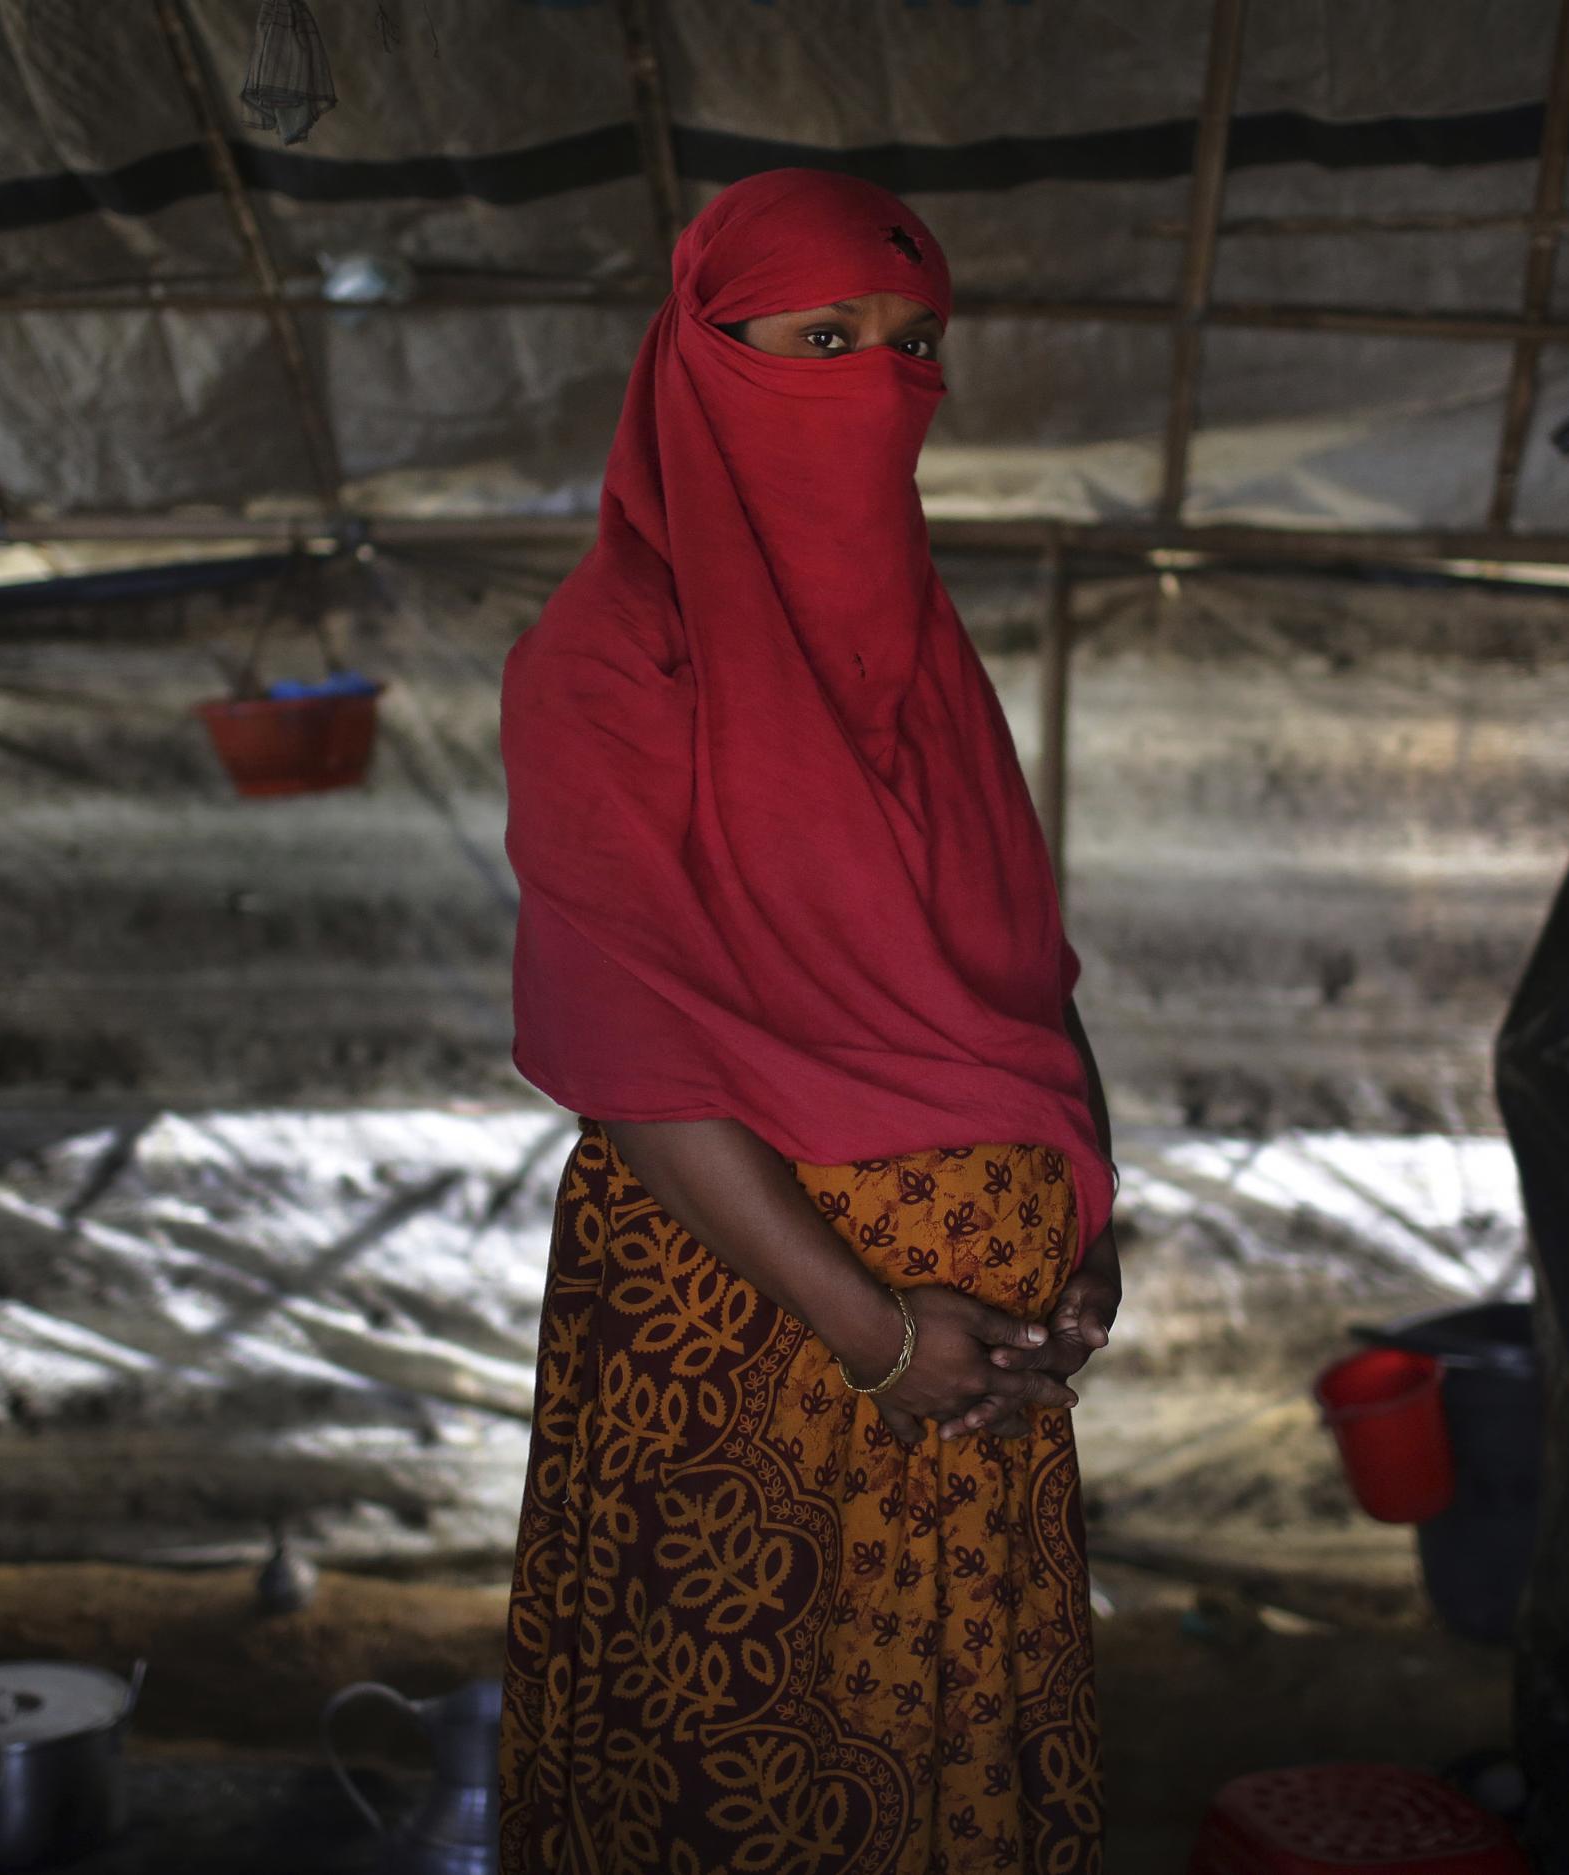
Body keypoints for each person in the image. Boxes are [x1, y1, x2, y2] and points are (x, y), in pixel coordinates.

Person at [496, 167, 1121, 1873]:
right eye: (823, 339)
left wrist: (1085, 1235)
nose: (878, 383)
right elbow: (633, 1059)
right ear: (703, 354)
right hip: (758, 1332)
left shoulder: (925, 655)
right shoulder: (606, 665)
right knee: (745, 1751)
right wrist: (871, 1327)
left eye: (913, 345)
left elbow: (1027, 987)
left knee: (946, 1754)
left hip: (972, 1353)